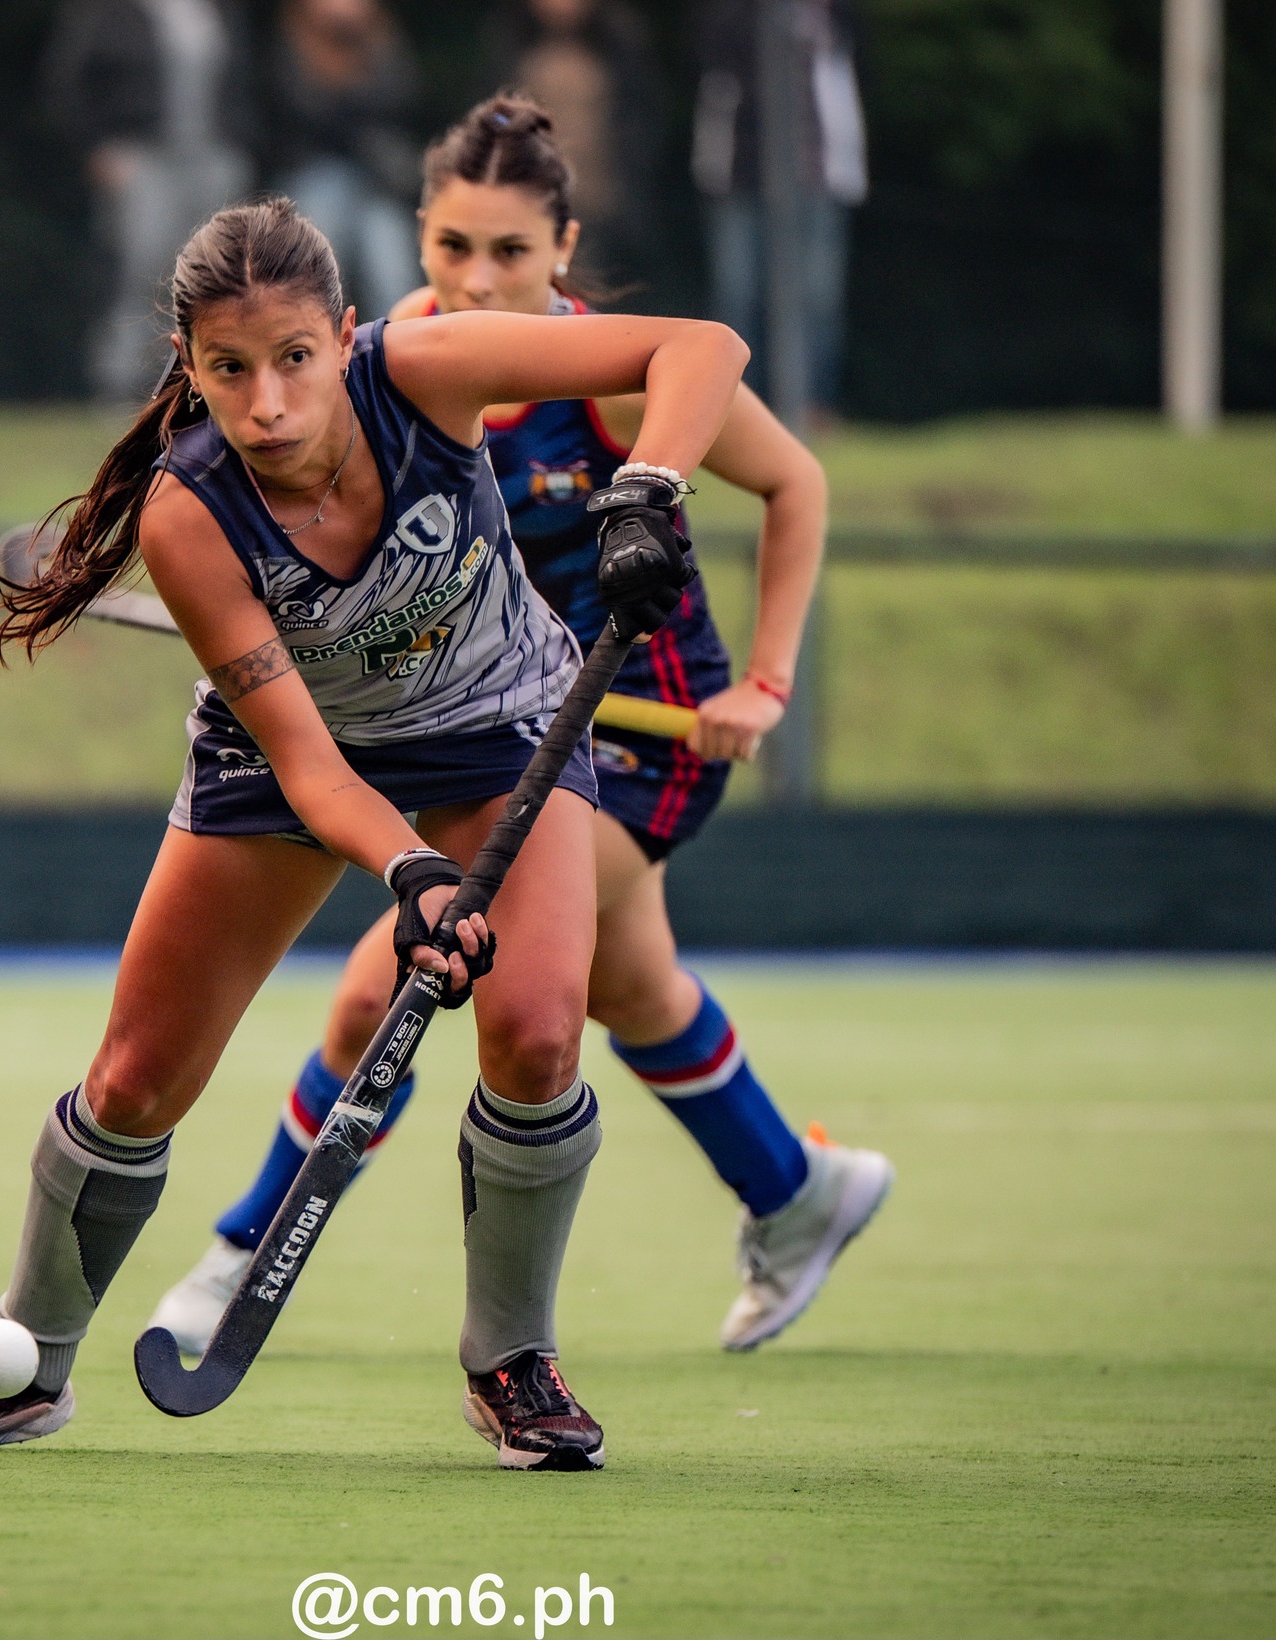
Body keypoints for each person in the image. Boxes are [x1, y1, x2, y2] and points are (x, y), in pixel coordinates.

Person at [0, 198, 747, 1469]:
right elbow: (307, 762)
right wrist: (416, 876)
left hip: (499, 729)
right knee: (131, 1080)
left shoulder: (426, 369)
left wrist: (647, 491)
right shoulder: (188, 516)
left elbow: (701, 349)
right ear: (188, 366)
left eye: (291, 359)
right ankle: (26, 1365)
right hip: (288, 768)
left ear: (341, 335)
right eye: (227, 370)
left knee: (541, 1032)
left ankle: (512, 1362)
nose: (266, 401)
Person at [148, 97, 891, 1363]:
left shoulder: (597, 377)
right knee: (628, 987)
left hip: (632, 732)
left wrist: (762, 684)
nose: (476, 277)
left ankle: (236, 1251)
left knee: (399, 973)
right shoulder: (385, 366)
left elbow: (793, 482)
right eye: (450, 248)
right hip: (485, 730)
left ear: (563, 244)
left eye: (508, 250)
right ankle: (796, 1189)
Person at [42, 0, 256, 404]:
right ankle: (120, 389)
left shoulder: (218, 11)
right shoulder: (111, 12)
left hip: (212, 161)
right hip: (142, 160)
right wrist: (96, 148)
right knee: (141, 271)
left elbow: (239, 86)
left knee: (213, 277)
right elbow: (68, 84)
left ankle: (196, 389)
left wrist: (238, 150)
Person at [693, 0, 867, 418]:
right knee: (737, 297)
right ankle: (735, 411)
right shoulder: (731, 14)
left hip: (818, 176)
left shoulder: (833, 14)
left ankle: (813, 407)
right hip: (740, 175)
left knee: (817, 297)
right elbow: (710, 61)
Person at [481, 0, 663, 290]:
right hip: (533, 202)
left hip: (602, 201)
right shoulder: (513, 48)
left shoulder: (618, 46)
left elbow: (640, 121)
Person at [268, 0, 421, 322]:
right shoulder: (291, 40)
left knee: (391, 262)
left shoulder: (381, 42)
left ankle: (393, 357)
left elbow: (402, 102)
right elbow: (299, 113)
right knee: (316, 258)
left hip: (376, 183)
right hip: (313, 173)